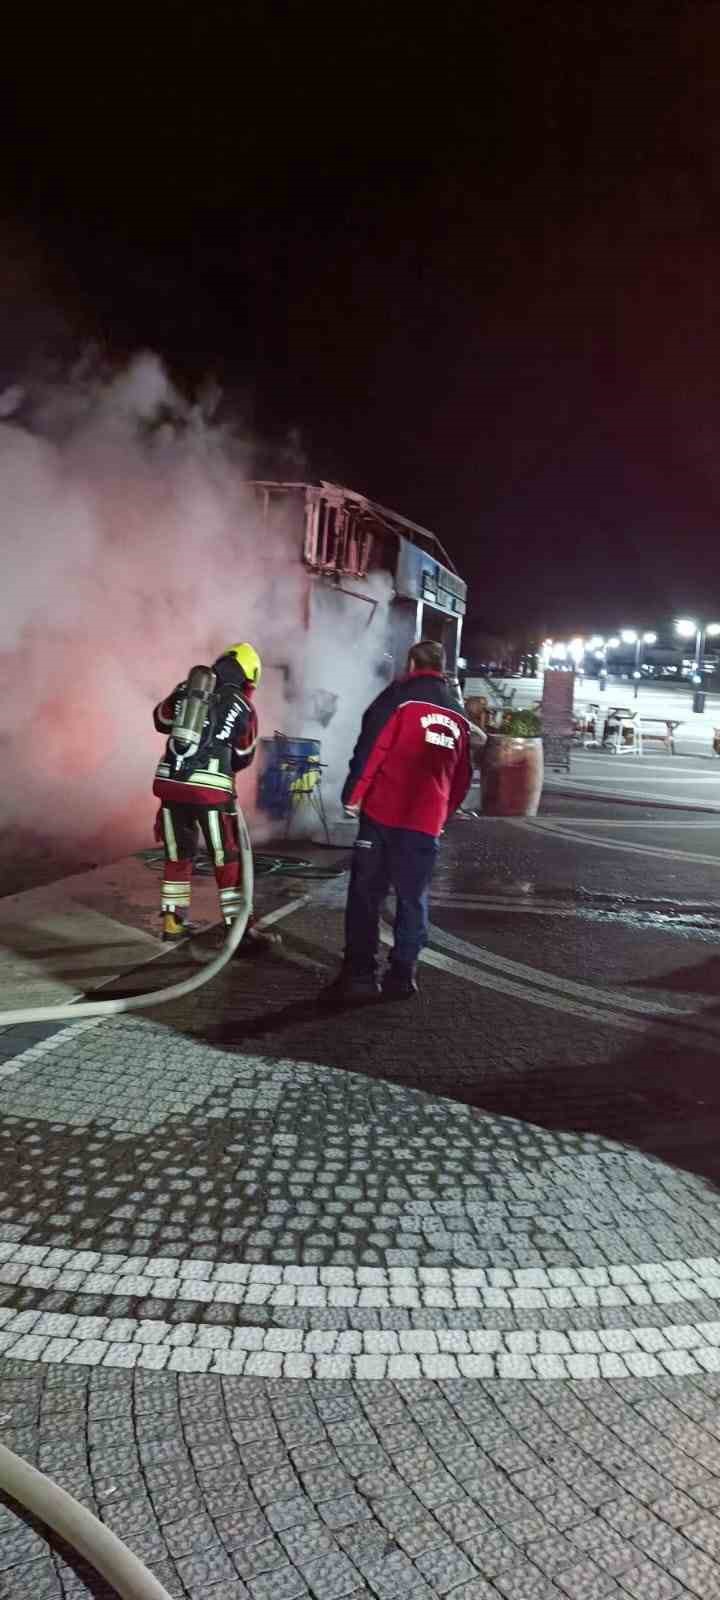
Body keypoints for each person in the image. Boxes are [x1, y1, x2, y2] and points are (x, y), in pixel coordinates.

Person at [335, 638, 472, 999]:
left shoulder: (398, 699)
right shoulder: (458, 716)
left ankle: (360, 976)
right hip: (425, 824)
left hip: (382, 815)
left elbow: (371, 748)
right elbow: (462, 779)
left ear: (412, 663)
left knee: (366, 895)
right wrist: (442, 814)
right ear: (442, 667)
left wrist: (352, 795)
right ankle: (403, 975)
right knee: (413, 898)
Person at [152, 642, 276, 952]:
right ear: (249, 678)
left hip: (170, 782)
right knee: (227, 856)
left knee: (178, 853)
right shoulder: (244, 706)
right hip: (210, 790)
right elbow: (244, 756)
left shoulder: (187, 688)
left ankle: (172, 922)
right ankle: (238, 929)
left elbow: (160, 720)